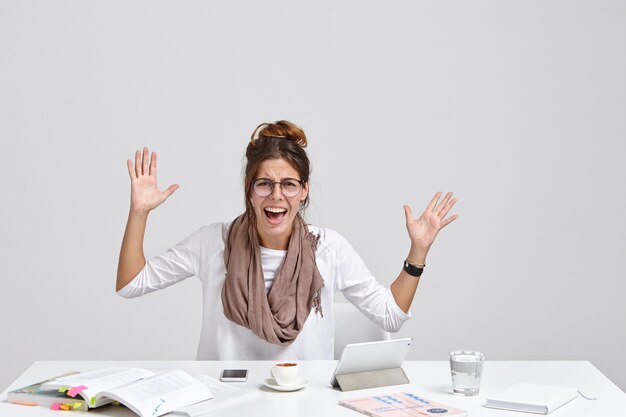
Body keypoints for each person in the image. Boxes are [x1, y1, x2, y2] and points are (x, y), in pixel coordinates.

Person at [116, 120, 458, 360]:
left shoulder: (329, 248)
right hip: (224, 404)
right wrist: (139, 212)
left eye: (289, 184)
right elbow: (131, 284)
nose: (276, 196)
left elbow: (390, 316)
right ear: (249, 190)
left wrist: (419, 250)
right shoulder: (213, 242)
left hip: (303, 403)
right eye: (264, 183)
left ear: (304, 190)